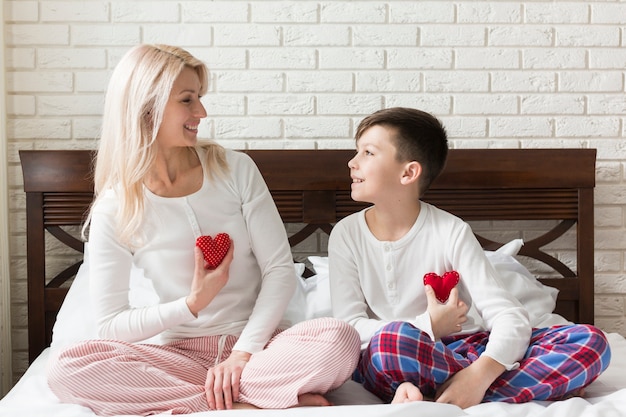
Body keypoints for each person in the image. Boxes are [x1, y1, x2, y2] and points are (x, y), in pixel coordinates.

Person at [47, 44, 361, 416]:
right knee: (66, 368)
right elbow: (113, 325)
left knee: (339, 338)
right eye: (187, 100)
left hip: (259, 349)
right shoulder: (117, 206)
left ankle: (225, 395)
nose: (201, 112)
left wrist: (243, 353)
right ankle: (247, 402)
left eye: (199, 98)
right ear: (147, 107)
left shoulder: (235, 169)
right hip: (178, 355)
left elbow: (279, 270)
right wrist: (192, 303)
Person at [328, 107, 611, 408]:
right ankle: (530, 386)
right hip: (397, 355)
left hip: (466, 349)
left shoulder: (451, 231)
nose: (352, 162)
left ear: (408, 172)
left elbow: (509, 316)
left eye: (368, 153)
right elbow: (350, 328)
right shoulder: (347, 234)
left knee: (592, 342)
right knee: (390, 342)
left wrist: (480, 372)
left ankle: (443, 393)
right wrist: (429, 325)